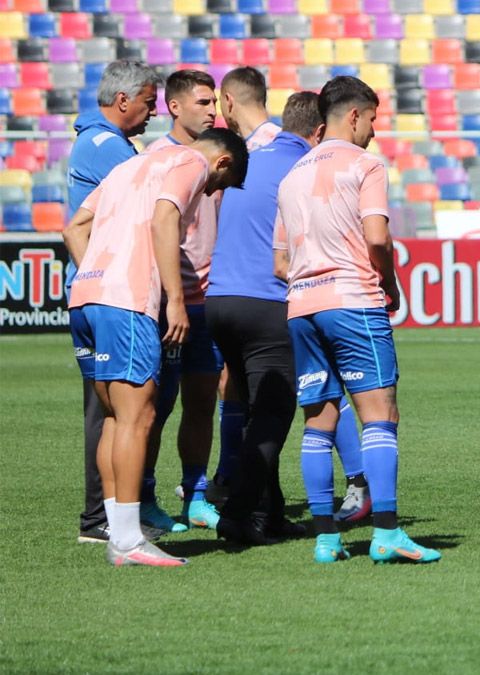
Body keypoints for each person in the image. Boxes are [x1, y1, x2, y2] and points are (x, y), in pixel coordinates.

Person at [274, 76, 440, 564]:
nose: (374, 130)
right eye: (371, 119)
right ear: (352, 116)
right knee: (380, 414)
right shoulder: (366, 165)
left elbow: (279, 263)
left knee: (319, 420)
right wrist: (389, 284)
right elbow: (377, 238)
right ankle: (386, 533)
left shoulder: (292, 176)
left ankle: (327, 539)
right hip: (353, 300)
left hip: (301, 305)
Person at [62, 128, 248, 566]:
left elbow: (74, 228)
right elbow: (165, 217)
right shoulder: (189, 162)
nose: (210, 192)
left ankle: (117, 532)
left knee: (115, 417)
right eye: (217, 186)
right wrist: (177, 300)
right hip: (127, 302)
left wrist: (97, 274)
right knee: (137, 416)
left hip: (86, 296)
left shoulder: (129, 165)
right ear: (221, 163)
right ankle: (127, 541)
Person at [208, 92, 360, 546]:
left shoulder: (251, 157)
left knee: (256, 409)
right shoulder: (304, 171)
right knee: (274, 415)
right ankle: (235, 515)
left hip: (220, 300)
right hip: (267, 302)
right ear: (317, 132)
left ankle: (270, 514)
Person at [67, 59, 162, 545]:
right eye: (149, 102)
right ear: (123, 100)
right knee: (115, 410)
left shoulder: (104, 142)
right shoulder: (108, 148)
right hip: (109, 293)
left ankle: (108, 515)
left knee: (111, 409)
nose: (153, 112)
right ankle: (103, 518)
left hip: (92, 291)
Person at [140, 70, 224, 534]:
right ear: (174, 107)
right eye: (203, 102)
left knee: (200, 402)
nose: (213, 110)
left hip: (207, 302)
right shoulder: (158, 159)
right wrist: (170, 296)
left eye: (214, 102)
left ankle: (195, 493)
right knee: (157, 404)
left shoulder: (214, 156)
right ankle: (146, 496)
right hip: (168, 303)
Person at [210, 66, 286, 502]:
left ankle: (252, 499)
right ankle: (242, 496)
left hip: (235, 292)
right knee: (265, 400)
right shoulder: (279, 149)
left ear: (229, 101)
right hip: (261, 294)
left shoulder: (264, 149)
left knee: (250, 393)